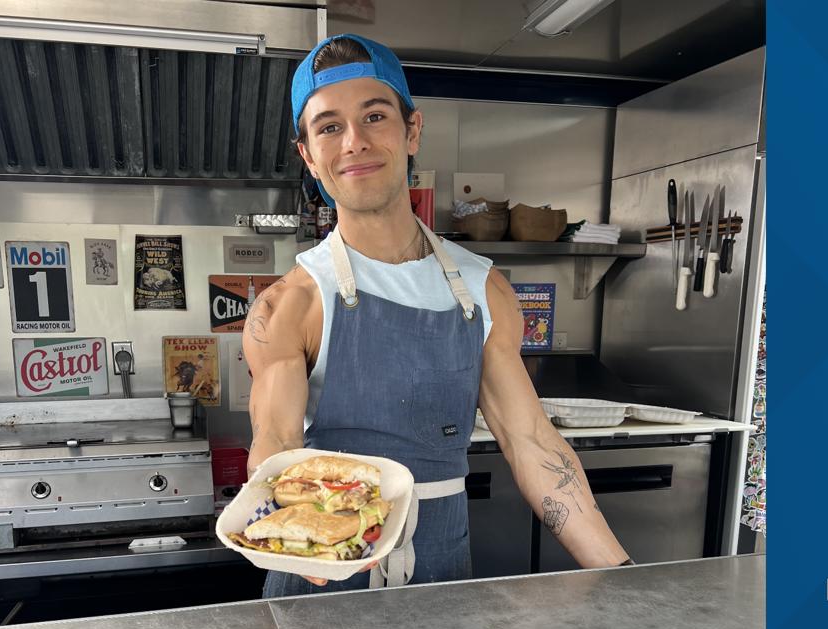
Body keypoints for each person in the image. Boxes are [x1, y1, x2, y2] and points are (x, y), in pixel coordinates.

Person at [243, 34, 631, 598]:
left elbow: (532, 443)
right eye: (328, 127)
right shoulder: (290, 304)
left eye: (374, 116)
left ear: (412, 131)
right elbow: (275, 441)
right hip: (321, 574)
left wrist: (623, 578)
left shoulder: (483, 291)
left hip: (442, 578)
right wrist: (299, 536)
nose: (354, 142)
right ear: (308, 155)